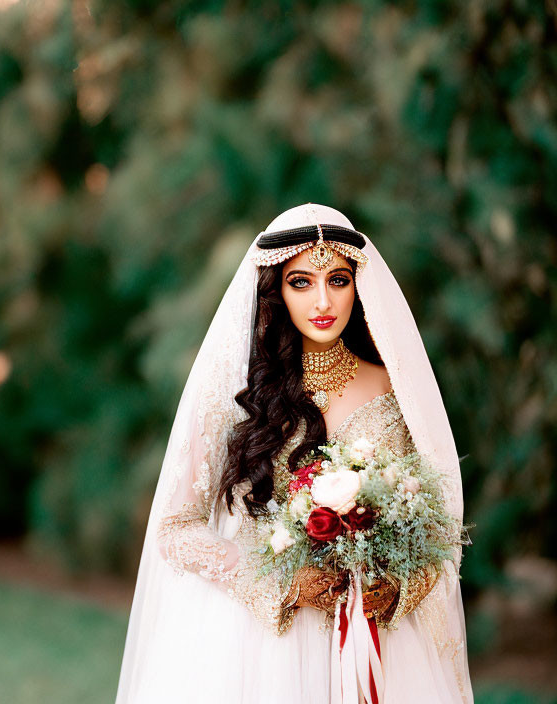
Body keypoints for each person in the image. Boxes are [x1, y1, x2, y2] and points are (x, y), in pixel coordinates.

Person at [114, 203, 472, 704]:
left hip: (381, 647)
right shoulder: (238, 395)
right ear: (276, 291)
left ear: (358, 284)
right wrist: (282, 585)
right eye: (301, 281)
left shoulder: (398, 389)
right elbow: (176, 528)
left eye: (338, 279)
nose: (323, 300)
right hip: (261, 650)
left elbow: (438, 530)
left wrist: (395, 591)